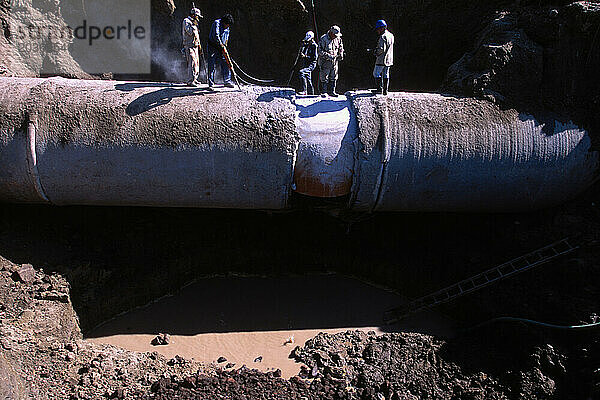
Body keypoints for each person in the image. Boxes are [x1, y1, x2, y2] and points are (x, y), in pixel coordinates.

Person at [207, 14, 235, 88]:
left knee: (225, 62)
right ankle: (211, 83)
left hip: (221, 48)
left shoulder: (227, 28)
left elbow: (226, 38)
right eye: (227, 25)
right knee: (212, 64)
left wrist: (224, 47)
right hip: (213, 46)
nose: (228, 27)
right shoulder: (217, 23)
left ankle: (227, 81)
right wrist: (221, 45)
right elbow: (216, 35)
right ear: (224, 22)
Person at [318, 25, 344, 97]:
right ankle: (324, 92)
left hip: (335, 62)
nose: (336, 37)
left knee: (334, 76)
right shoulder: (323, 38)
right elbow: (320, 51)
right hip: (325, 61)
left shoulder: (338, 38)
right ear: (331, 33)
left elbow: (341, 47)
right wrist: (329, 56)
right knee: (324, 77)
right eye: (335, 35)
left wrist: (340, 54)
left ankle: (332, 91)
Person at [182, 6, 203, 87]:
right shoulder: (186, 21)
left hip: (195, 45)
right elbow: (190, 32)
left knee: (196, 63)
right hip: (189, 45)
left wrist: (199, 45)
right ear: (194, 15)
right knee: (192, 62)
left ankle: (195, 79)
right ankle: (190, 81)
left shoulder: (194, 22)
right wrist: (193, 25)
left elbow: (197, 35)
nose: (198, 18)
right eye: (197, 16)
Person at [372, 19, 394, 95]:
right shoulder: (391, 35)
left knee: (376, 73)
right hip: (389, 59)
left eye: (378, 29)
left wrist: (375, 52)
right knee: (386, 74)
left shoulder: (382, 37)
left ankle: (379, 89)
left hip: (381, 59)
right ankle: (385, 90)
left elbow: (381, 49)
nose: (377, 31)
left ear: (382, 28)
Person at [298, 31, 318, 95]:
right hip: (307, 63)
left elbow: (314, 57)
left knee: (302, 72)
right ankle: (311, 93)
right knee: (308, 77)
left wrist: (305, 56)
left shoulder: (314, 46)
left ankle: (304, 90)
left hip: (311, 64)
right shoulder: (308, 45)